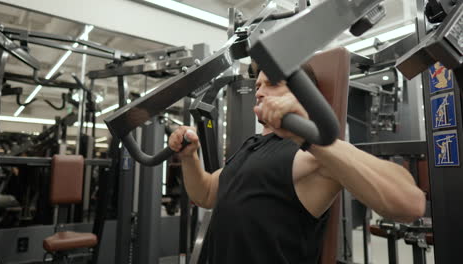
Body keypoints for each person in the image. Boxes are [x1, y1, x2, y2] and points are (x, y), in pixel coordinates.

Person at [168, 65, 425, 264]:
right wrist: (190, 156)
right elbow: (207, 193)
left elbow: (409, 202)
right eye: (258, 85)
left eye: (272, 84)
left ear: (304, 94)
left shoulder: (311, 152)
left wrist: (308, 135)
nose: (258, 91)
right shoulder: (251, 145)